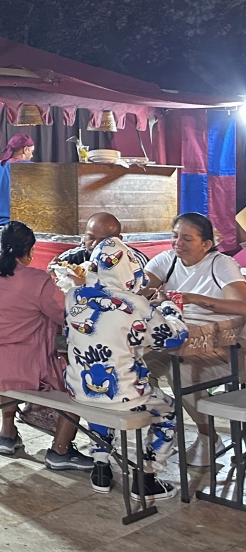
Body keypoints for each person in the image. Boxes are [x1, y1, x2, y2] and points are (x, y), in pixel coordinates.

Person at [0, 221, 95, 471]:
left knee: (8, 362)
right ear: (31, 251)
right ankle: (60, 449)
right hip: (14, 366)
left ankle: (8, 432)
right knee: (73, 381)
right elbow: (63, 316)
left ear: (0, 244)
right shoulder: (37, 280)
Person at [65, 237, 188, 499]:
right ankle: (147, 476)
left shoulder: (73, 296)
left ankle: (101, 468)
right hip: (126, 397)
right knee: (169, 410)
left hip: (79, 391)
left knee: (99, 404)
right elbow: (173, 338)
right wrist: (170, 308)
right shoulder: (135, 305)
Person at [143, 212, 246, 466]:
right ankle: (162, 424)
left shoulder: (220, 264)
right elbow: (141, 287)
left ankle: (208, 437)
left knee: (182, 370)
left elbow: (242, 306)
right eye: (175, 235)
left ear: (206, 244)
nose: (178, 242)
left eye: (187, 238)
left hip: (222, 344)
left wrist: (190, 298)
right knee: (135, 366)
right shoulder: (166, 260)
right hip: (175, 337)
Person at [0, 134, 35, 258]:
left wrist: (1, 211)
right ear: (25, 149)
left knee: (0, 268)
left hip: (0, 229)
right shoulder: (34, 169)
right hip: (25, 230)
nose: (31, 156)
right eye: (31, 152)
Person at [52, 212, 124, 266]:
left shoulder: (131, 259)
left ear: (119, 240)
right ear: (84, 237)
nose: (95, 244)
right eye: (91, 238)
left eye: (104, 240)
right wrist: (53, 274)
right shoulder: (70, 258)